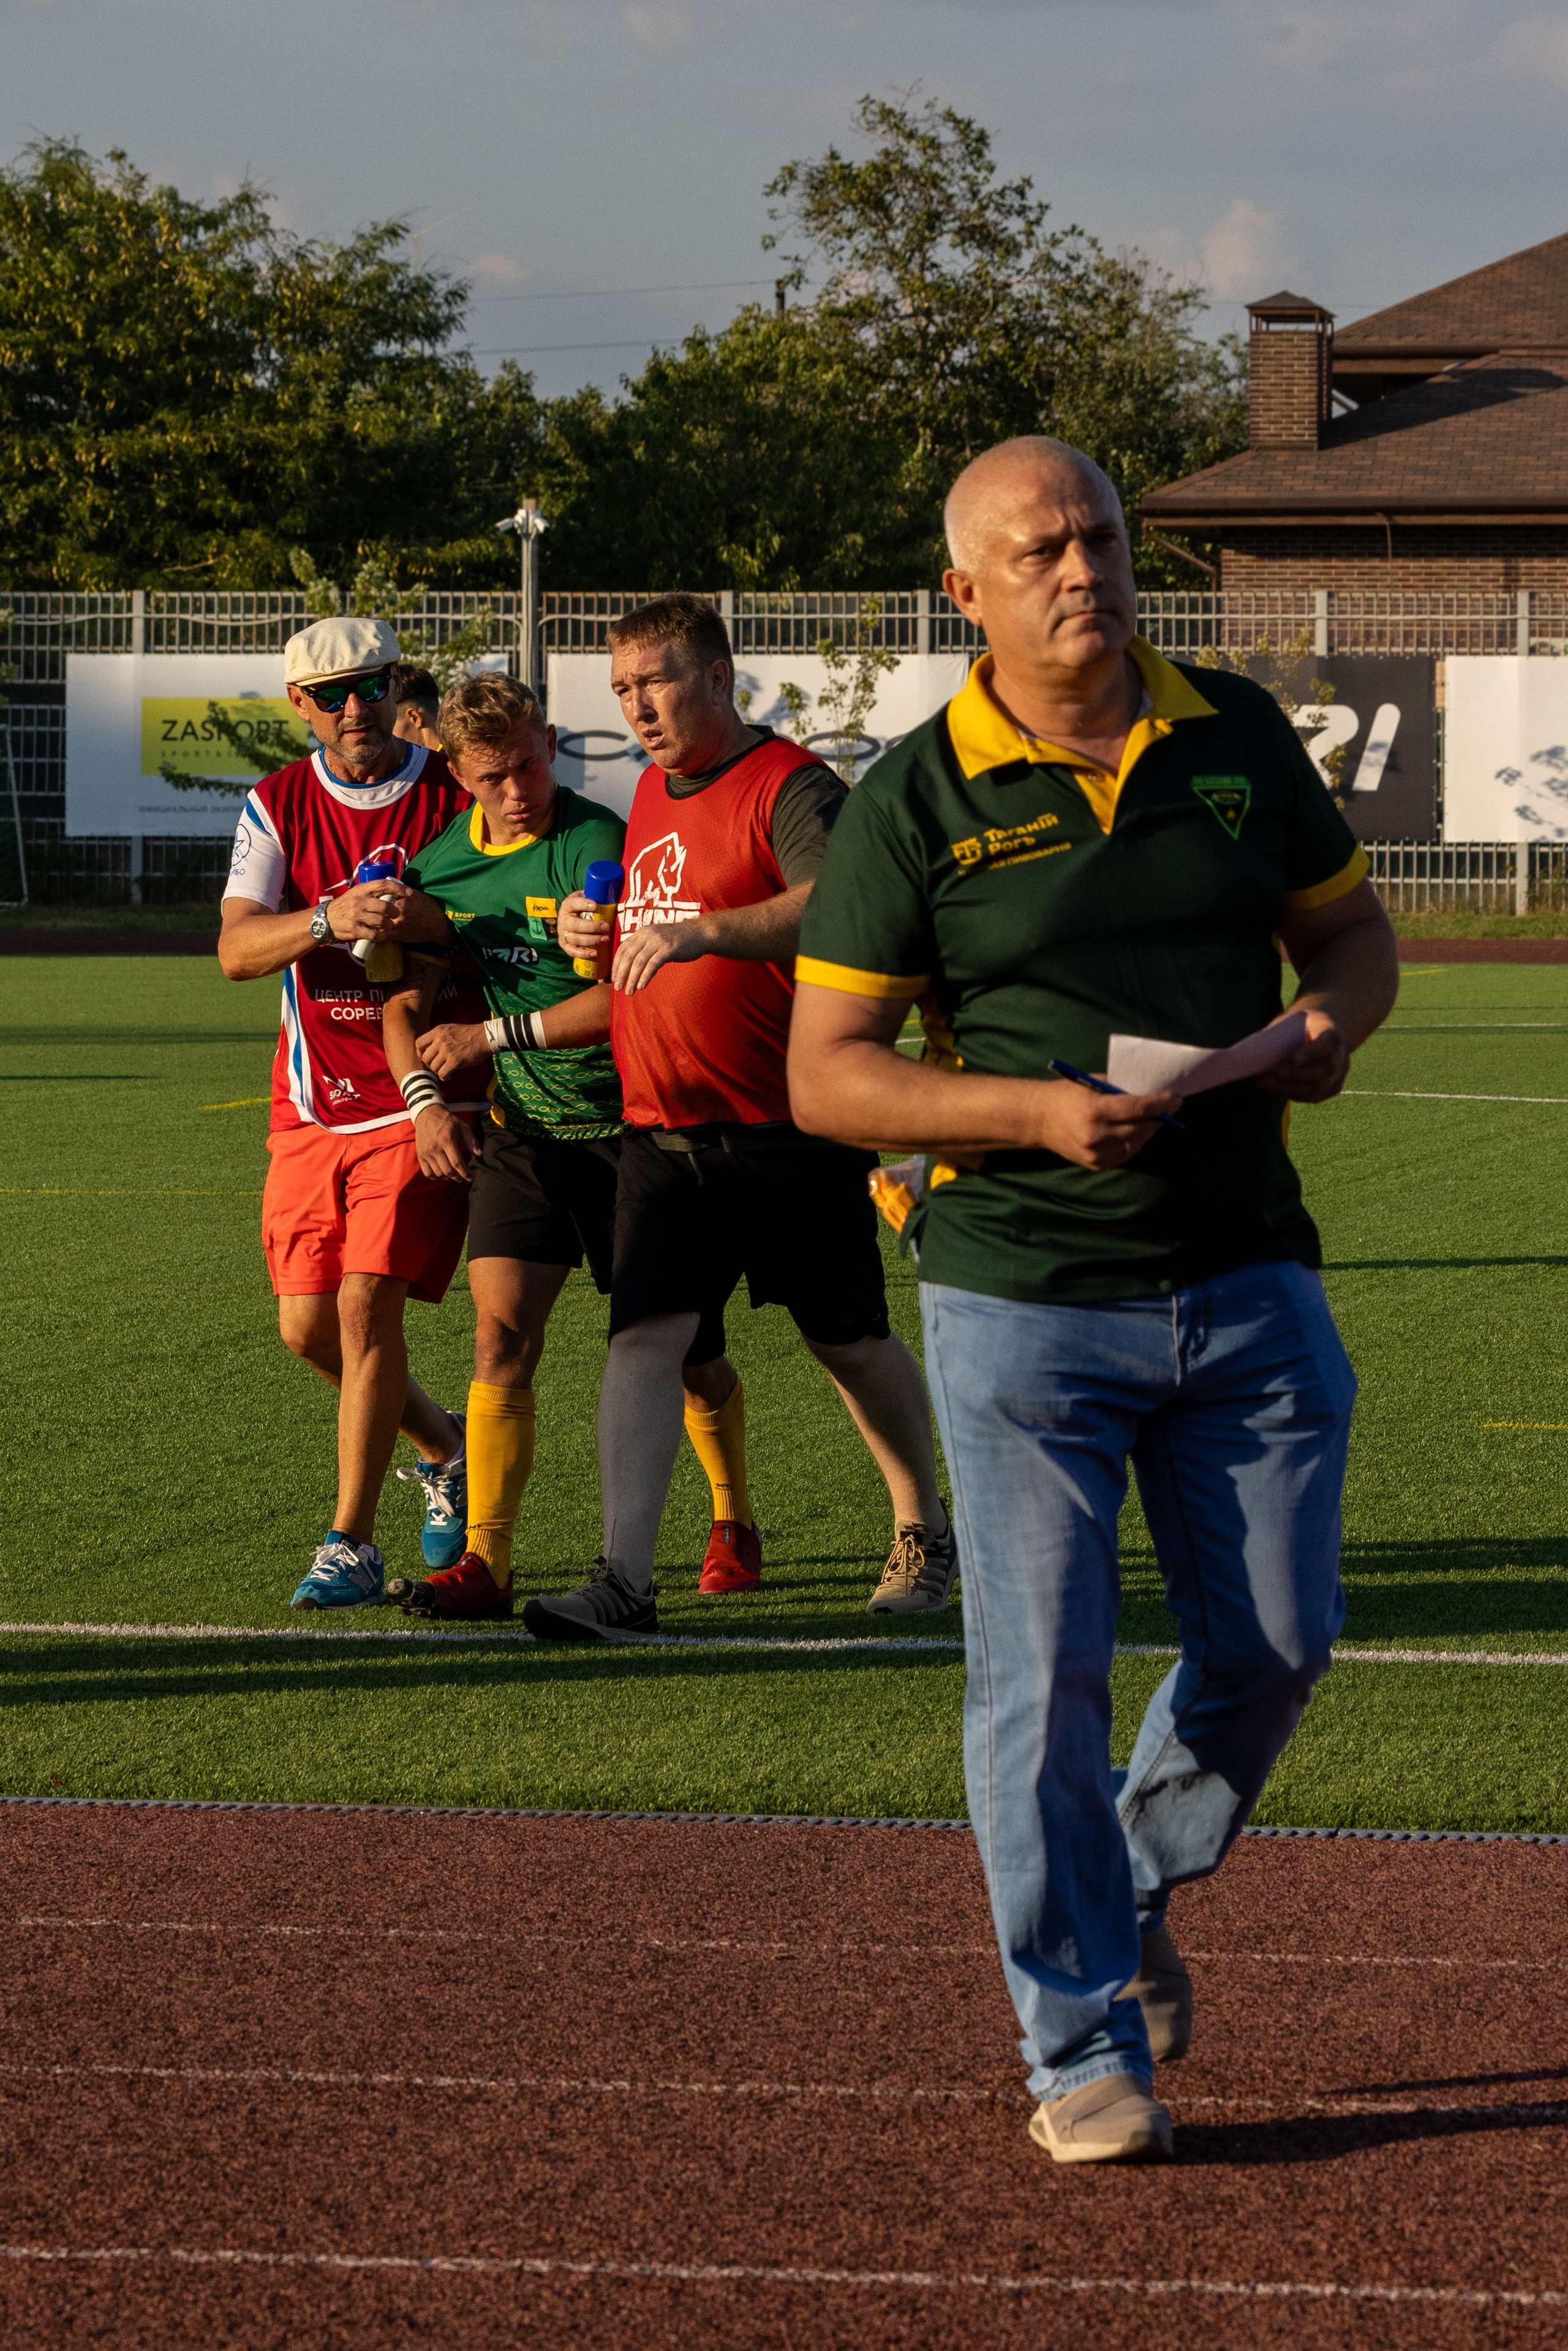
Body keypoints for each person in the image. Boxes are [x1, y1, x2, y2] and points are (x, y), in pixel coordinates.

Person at [787, 436, 1399, 2165]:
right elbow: (830, 1077)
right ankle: (1074, 2040)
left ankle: (1124, 1884)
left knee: (1277, 1643)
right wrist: (1031, 1111)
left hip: (1250, 1271)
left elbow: (1351, 939)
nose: (1086, 570)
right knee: (1037, 1681)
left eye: (1105, 537)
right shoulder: (915, 797)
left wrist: (1334, 1023)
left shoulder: (1238, 732)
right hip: (1023, 1298)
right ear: (965, 592)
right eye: (1042, 548)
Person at [524, 592, 952, 1643]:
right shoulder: (652, 795)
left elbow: (835, 904)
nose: (637, 704)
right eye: (623, 687)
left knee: (848, 1338)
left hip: (787, 1122)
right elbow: (647, 929)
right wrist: (599, 927)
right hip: (664, 1130)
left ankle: (924, 1526)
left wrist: (703, 931)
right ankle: (625, 1577)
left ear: (718, 676)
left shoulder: (791, 785)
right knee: (643, 1338)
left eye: (656, 680)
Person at [219, 616, 488, 1611]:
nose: (352, 708)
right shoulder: (277, 803)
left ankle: (353, 1541)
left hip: (421, 1092)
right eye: (329, 694)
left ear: (392, 684)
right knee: (305, 1327)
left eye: (369, 685)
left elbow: (492, 926)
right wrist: (328, 916)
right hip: (311, 1100)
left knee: (366, 1304)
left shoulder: (452, 792)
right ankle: (445, 1443)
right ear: (300, 706)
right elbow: (237, 951)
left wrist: (425, 922)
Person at [375, 672, 630, 1618]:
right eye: (491, 778)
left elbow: (621, 1001)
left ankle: (732, 1519)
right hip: (524, 1133)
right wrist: (423, 1104)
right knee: (500, 1339)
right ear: (454, 771)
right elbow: (402, 1003)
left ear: (551, 743)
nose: (517, 790)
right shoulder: (441, 866)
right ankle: (486, 1560)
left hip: (632, 1129)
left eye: (528, 765)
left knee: (676, 1350)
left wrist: (489, 1039)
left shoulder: (598, 841)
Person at [394, 667, 443, 752]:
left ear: (415, 718)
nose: (389, 739)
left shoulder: (450, 763)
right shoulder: (465, 754)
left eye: (390, 724)